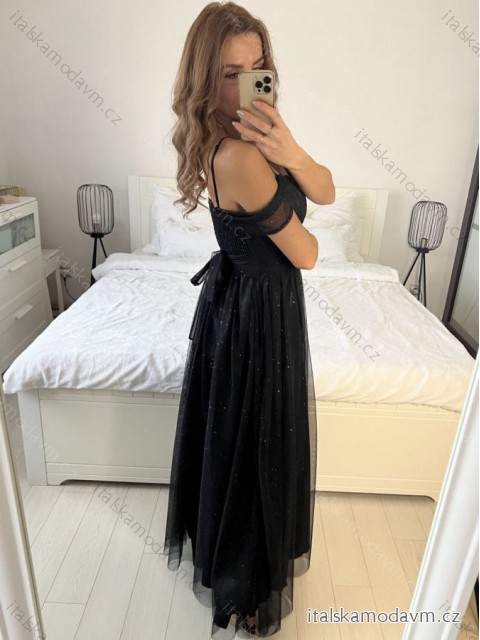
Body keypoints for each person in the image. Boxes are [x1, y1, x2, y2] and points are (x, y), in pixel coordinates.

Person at [163, 2, 335, 638]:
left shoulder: (256, 136)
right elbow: (307, 254)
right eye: (230, 72)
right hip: (259, 311)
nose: (247, 83)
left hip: (249, 301)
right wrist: (279, 153)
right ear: (205, 77)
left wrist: (290, 147)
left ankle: (244, 562)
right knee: (258, 439)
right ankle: (245, 583)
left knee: (248, 435)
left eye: (257, 66)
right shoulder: (237, 155)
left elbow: (327, 189)